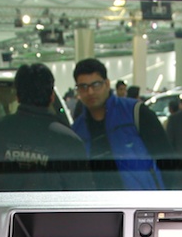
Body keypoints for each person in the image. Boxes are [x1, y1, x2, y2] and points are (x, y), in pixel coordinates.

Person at [0, 64, 92, 192]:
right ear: (52, 96)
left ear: (17, 96)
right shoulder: (70, 140)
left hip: (3, 210)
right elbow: (80, 190)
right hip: (51, 212)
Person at [70, 58, 169, 190]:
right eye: (83, 87)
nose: (90, 92)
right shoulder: (77, 130)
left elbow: (166, 158)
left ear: (107, 84)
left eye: (96, 85)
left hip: (141, 203)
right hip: (100, 205)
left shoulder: (135, 113)